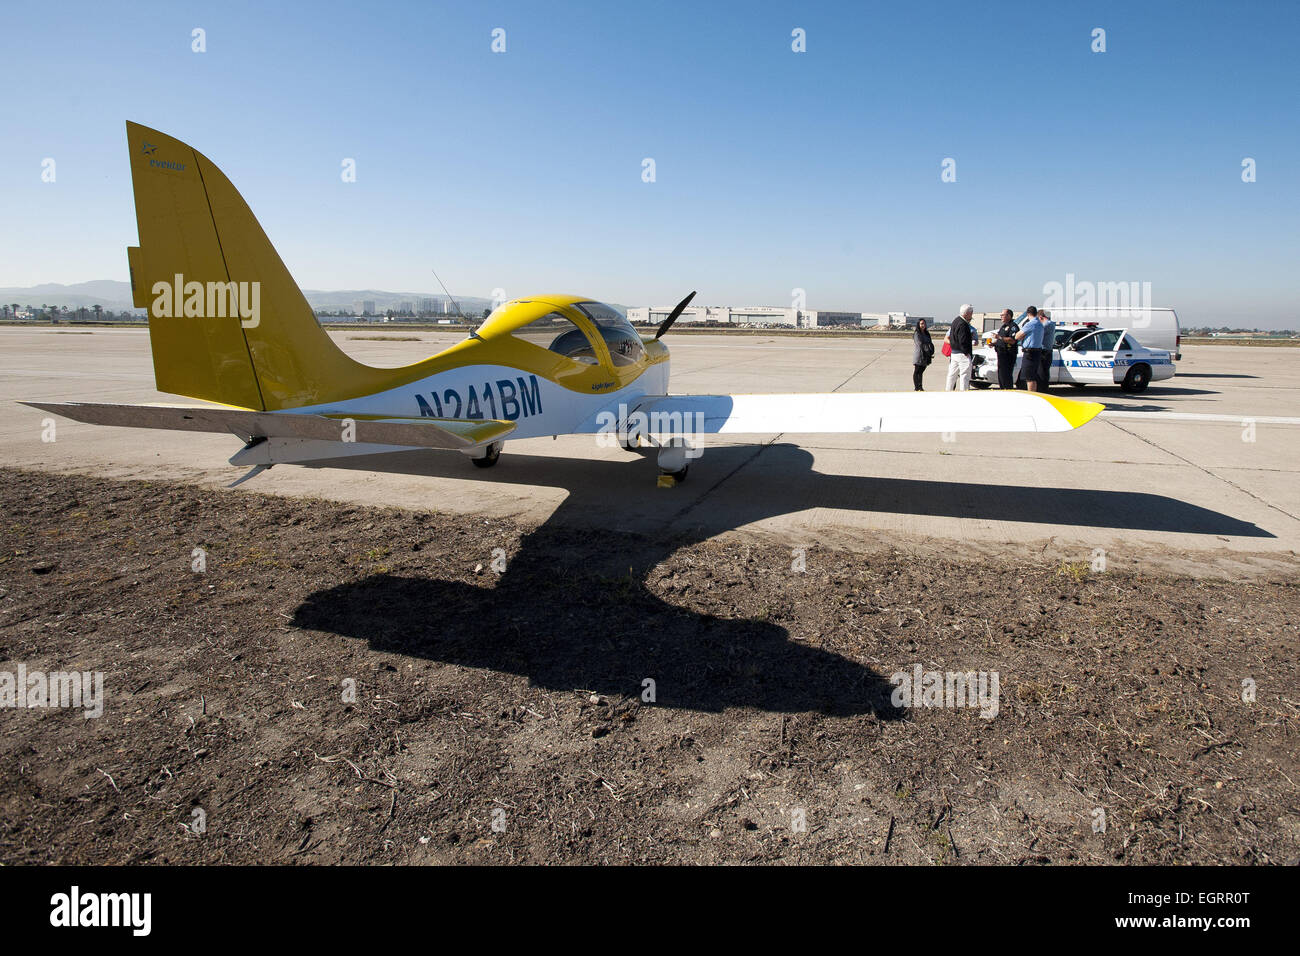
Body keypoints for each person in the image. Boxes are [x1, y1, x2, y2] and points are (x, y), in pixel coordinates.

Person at [944, 304, 975, 391]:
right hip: (962, 353)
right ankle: (963, 392)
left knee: (952, 375)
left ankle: (948, 391)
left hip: (954, 352)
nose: (971, 315)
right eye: (971, 313)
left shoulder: (955, 321)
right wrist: (966, 352)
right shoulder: (963, 324)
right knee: (965, 375)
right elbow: (963, 340)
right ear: (967, 313)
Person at [1014, 306, 1044, 392]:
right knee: (1032, 376)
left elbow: (1017, 336)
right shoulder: (1039, 323)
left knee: (1029, 377)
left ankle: (1031, 395)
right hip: (1037, 352)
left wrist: (1022, 336)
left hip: (1030, 353)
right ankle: (1033, 393)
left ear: (1028, 314)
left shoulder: (1031, 324)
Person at [993, 308, 1019, 389]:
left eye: (1002, 315)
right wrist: (994, 343)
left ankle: (1008, 390)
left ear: (1009, 316)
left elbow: (1012, 340)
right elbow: (1001, 340)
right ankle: (1002, 390)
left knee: (1006, 375)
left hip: (1008, 355)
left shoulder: (1013, 326)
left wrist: (999, 337)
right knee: (1001, 375)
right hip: (1001, 354)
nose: (1001, 316)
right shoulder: (1003, 326)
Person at [911, 318, 934, 390]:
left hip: (926, 355)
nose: (923, 325)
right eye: (921, 324)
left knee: (921, 372)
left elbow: (930, 343)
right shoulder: (917, 333)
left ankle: (920, 386)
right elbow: (920, 344)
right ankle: (917, 387)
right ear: (918, 324)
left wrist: (930, 351)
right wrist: (927, 348)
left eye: (924, 323)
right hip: (919, 355)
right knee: (917, 371)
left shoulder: (927, 333)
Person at [1037, 310, 1056, 391]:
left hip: (1044, 351)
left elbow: (1037, 333)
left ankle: (1042, 389)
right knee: (1044, 372)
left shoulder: (1046, 324)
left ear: (1041, 317)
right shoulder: (1051, 323)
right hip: (1047, 351)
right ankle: (1043, 389)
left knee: (1041, 372)